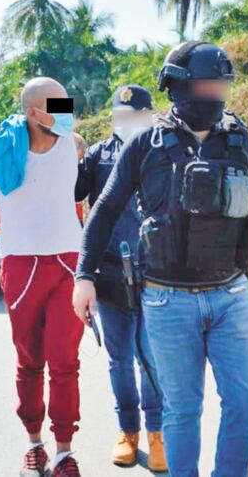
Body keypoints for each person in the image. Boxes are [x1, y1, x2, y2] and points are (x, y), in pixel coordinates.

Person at [73, 43, 248, 477]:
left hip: (231, 295)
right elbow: (102, 210)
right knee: (182, 409)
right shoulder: (145, 144)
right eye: (204, 84)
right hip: (166, 300)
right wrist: (84, 275)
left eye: (221, 85)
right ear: (177, 87)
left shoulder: (239, 139)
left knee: (247, 402)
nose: (214, 94)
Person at [0, 77, 85, 477]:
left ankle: (64, 451)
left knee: (65, 362)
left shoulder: (73, 144)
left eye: (67, 105)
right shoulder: (3, 146)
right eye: (57, 106)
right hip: (21, 263)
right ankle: (34, 444)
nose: (67, 114)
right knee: (30, 361)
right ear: (32, 113)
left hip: (66, 262)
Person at [74, 85, 166, 471]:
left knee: (153, 360)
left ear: (150, 113)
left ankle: (157, 433)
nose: (124, 122)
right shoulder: (98, 154)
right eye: (119, 116)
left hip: (157, 272)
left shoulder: (164, 147)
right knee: (119, 359)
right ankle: (128, 430)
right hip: (111, 272)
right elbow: (75, 193)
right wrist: (66, 141)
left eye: (133, 115)